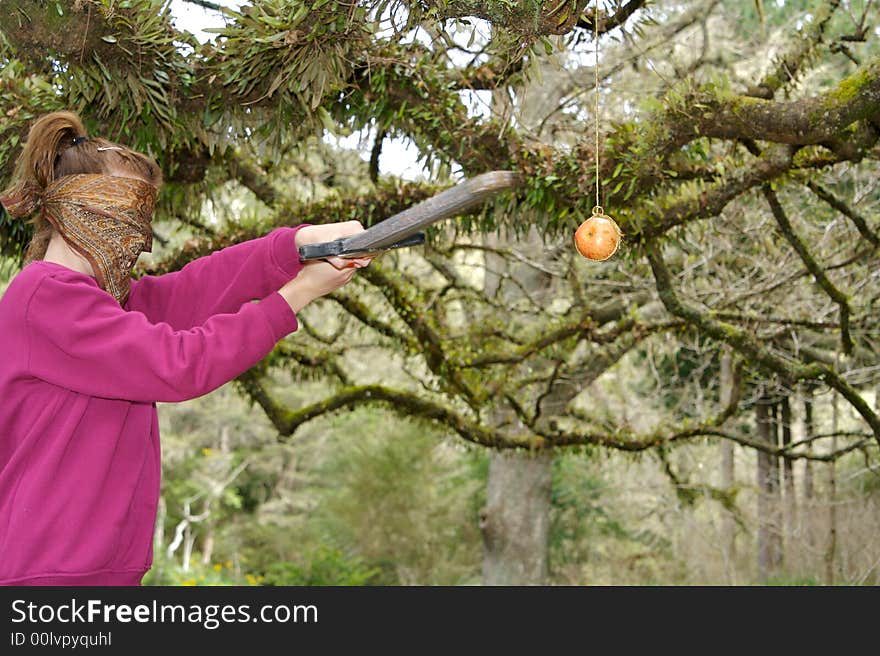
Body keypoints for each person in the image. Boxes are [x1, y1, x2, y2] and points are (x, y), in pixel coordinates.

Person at [0, 111, 372, 585]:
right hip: (50, 577)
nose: (139, 237)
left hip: (93, 573)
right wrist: (297, 294)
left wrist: (295, 245)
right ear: (84, 206)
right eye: (127, 212)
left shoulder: (100, 302)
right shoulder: (48, 300)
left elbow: (191, 292)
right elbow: (179, 364)